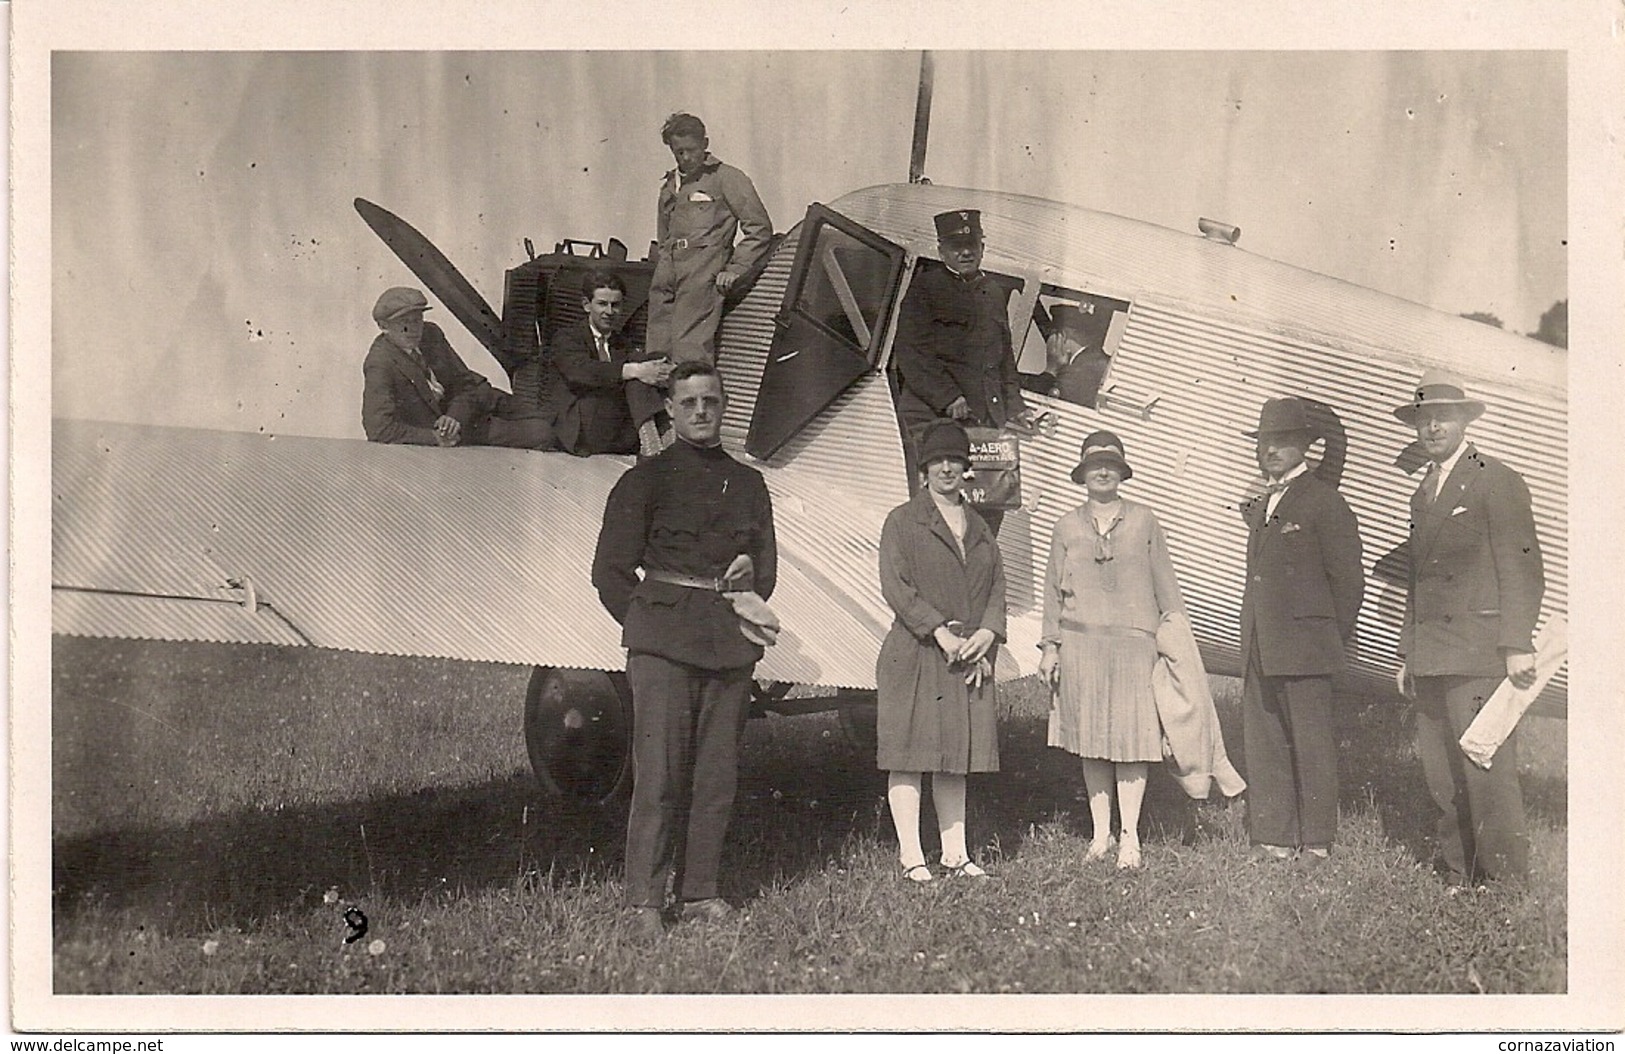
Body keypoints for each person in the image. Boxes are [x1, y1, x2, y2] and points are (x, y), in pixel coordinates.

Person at [591, 361, 777, 936]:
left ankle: (699, 893)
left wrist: (747, 578)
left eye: (711, 401)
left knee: (716, 775)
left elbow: (765, 571)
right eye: (689, 402)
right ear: (669, 410)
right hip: (663, 648)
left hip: (728, 644)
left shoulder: (747, 482)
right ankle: (643, 902)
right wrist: (651, 627)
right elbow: (611, 572)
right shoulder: (645, 479)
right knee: (660, 776)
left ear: (724, 407)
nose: (701, 411)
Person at [1393, 368, 1543, 889]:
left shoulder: (1496, 479)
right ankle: (1460, 873)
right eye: (1423, 419)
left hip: (1479, 653)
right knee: (1442, 774)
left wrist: (1517, 644)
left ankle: (1503, 883)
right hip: (1432, 653)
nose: (1432, 428)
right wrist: (1407, 651)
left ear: (1464, 421)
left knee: (1486, 767)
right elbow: (1418, 580)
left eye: (1443, 417)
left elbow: (1521, 567)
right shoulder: (1424, 491)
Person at [1038, 431, 1184, 870]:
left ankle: (1131, 838)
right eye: (1094, 465)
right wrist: (1050, 647)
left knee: (1134, 741)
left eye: (1110, 464)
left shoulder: (1144, 520)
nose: (1102, 471)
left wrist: (1174, 645)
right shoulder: (1066, 525)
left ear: (1121, 472)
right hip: (1081, 645)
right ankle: (1100, 835)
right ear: (1082, 474)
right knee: (1092, 743)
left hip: (1134, 647)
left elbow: (1167, 587)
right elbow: (1051, 593)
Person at [1237, 397, 1365, 866]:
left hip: (1306, 646)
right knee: (1265, 737)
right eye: (1266, 441)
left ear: (1305, 447)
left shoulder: (1324, 501)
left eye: (1283, 441)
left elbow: (1349, 581)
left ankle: (1316, 842)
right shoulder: (1264, 502)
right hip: (1261, 642)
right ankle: (1272, 836)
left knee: (1312, 742)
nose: (1271, 450)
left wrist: (1326, 636)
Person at [875, 420, 1005, 882]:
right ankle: (912, 857)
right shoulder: (903, 520)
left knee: (955, 755)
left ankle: (955, 853)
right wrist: (941, 633)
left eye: (955, 460)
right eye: (938, 461)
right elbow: (897, 587)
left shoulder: (978, 524)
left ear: (966, 467)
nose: (947, 468)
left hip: (966, 655)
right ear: (924, 469)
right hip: (915, 652)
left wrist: (987, 634)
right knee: (909, 755)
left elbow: (996, 586)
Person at [892, 209, 1031, 456]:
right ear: (941, 250)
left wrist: (1015, 406)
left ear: (982, 248)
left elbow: (1004, 358)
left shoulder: (992, 292)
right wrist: (948, 397)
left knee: (987, 488)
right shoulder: (926, 288)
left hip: (983, 417)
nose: (966, 252)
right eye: (956, 246)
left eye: (972, 244)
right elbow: (912, 352)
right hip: (933, 417)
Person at [647, 112, 773, 369]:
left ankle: (695, 406)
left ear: (705, 143)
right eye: (678, 151)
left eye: (690, 150)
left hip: (702, 269)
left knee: (689, 350)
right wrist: (664, 263)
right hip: (668, 269)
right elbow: (664, 233)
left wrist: (735, 268)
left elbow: (759, 228)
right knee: (656, 351)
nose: (685, 157)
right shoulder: (670, 184)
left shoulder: (726, 177)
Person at [361, 286, 554, 449]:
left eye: (417, 320)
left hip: (472, 402)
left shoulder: (431, 333)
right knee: (543, 433)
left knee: (553, 416)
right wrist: (434, 438)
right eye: (404, 324)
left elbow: (464, 382)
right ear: (383, 326)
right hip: (464, 428)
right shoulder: (380, 363)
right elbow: (379, 429)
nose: (414, 330)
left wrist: (454, 416)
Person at [545, 270, 673, 456]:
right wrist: (632, 370)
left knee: (645, 366)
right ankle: (657, 440)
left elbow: (640, 364)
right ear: (586, 305)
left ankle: (660, 440)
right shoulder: (567, 337)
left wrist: (664, 367)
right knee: (635, 373)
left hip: (613, 425)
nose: (609, 312)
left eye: (616, 305)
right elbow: (580, 372)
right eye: (602, 304)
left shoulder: (621, 342)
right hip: (581, 427)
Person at [1020, 302, 1111, 408]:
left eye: (1053, 334)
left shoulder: (1080, 370)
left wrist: (1050, 370)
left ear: (1062, 335)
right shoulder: (1095, 360)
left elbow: (1041, 399)